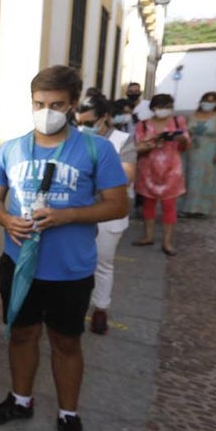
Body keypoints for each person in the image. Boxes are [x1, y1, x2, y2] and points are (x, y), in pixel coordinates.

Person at [0, 66, 129, 431]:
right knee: (21, 334)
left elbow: (118, 203)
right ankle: (21, 400)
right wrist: (5, 219)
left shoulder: (97, 149)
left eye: (56, 105)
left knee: (66, 341)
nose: (46, 111)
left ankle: (68, 416)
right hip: (18, 263)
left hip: (69, 268)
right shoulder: (11, 149)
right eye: (39, 104)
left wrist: (67, 216)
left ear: (73, 104)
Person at [75, 94, 136, 335]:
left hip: (109, 214)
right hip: (78, 211)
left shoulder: (123, 141)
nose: (83, 128)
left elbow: (125, 178)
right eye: (79, 122)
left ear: (105, 118)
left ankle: (101, 308)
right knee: (77, 263)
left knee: (102, 263)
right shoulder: (74, 138)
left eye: (89, 123)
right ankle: (77, 307)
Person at [132, 93, 189, 256]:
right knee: (148, 204)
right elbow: (139, 147)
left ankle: (167, 242)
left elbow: (186, 143)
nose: (165, 110)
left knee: (169, 206)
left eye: (168, 107)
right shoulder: (143, 125)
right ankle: (148, 236)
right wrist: (155, 142)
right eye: (161, 107)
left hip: (171, 170)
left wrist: (181, 139)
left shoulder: (179, 122)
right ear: (153, 108)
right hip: (148, 170)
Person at [180, 91, 216, 218]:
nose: (208, 103)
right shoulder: (192, 116)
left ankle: (202, 208)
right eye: (206, 100)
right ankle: (185, 207)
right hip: (190, 151)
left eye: (212, 101)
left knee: (205, 179)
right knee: (187, 177)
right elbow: (185, 133)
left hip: (208, 152)